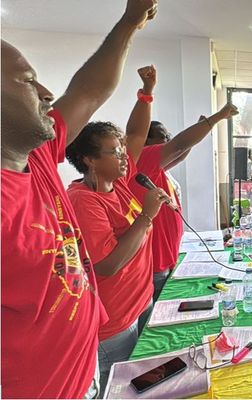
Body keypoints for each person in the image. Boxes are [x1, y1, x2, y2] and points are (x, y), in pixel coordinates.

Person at [0, 1, 156, 398]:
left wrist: (129, 22)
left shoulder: (35, 158)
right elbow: (106, 263)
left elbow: (87, 90)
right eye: (27, 81)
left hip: (82, 367)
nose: (46, 93)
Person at [66, 65, 172, 393]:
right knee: (121, 389)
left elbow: (137, 135)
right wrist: (146, 218)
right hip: (115, 322)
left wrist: (146, 92)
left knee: (145, 383)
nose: (125, 157)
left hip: (141, 300)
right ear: (89, 160)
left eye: (122, 150)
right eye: (114, 152)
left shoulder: (118, 182)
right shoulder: (84, 200)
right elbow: (107, 264)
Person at [133, 103, 238, 302]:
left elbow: (180, 153)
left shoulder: (155, 167)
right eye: (163, 137)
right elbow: (179, 145)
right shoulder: (142, 159)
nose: (168, 141)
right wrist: (217, 117)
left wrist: (203, 127)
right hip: (156, 261)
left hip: (168, 255)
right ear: (147, 140)